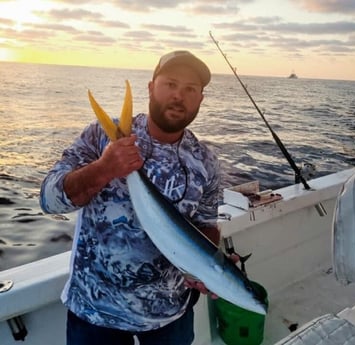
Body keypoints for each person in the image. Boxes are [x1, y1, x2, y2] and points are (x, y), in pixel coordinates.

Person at [40, 50, 220, 345]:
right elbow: (49, 200)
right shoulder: (99, 136)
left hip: (171, 316)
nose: (179, 96)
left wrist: (208, 268)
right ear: (150, 88)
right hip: (95, 312)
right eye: (170, 84)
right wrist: (104, 168)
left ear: (201, 99)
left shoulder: (206, 161)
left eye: (191, 89)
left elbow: (207, 225)